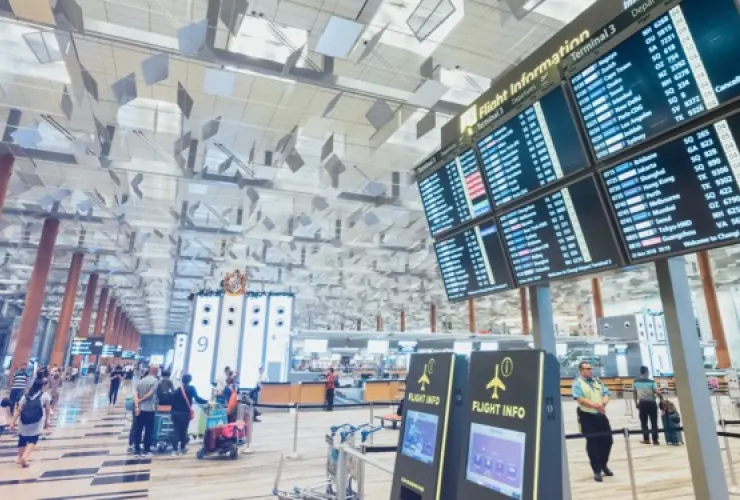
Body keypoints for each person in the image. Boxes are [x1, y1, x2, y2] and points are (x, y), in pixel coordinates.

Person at [573, 361, 613, 482]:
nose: (590, 370)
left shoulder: (598, 381)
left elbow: (606, 393)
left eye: (591, 368)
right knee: (593, 443)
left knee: (608, 440)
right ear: (581, 371)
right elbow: (580, 399)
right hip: (587, 416)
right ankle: (596, 470)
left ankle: (603, 464)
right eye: (587, 369)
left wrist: (602, 403)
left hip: (600, 415)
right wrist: (595, 405)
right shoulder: (577, 383)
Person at [10, 378, 51, 468]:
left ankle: (21, 457)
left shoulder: (26, 395)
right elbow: (48, 409)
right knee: (33, 440)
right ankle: (24, 457)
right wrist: (47, 421)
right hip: (36, 422)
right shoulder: (45, 396)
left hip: (24, 421)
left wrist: (12, 422)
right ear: (42, 386)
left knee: (22, 439)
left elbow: (19, 410)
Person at [170, 374, 207, 455]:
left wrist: (172, 413)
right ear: (190, 380)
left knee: (175, 431)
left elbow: (173, 402)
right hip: (185, 413)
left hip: (175, 413)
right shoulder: (191, 388)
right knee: (183, 431)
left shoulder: (178, 389)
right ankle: (182, 448)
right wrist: (206, 402)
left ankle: (175, 450)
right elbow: (197, 398)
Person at [132, 366, 159, 457]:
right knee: (148, 430)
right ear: (156, 371)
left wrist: (137, 405)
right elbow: (150, 394)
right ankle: (146, 449)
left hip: (139, 409)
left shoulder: (141, 381)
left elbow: (135, 394)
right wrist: (141, 399)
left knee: (138, 429)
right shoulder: (155, 381)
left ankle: (136, 448)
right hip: (149, 410)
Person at [633, 366, 661, 445]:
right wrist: (661, 398)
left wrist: (636, 403)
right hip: (652, 403)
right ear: (647, 372)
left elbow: (634, 394)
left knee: (644, 422)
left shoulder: (636, 382)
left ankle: (646, 439)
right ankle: (655, 440)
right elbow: (657, 392)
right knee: (654, 422)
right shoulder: (652, 382)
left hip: (642, 403)